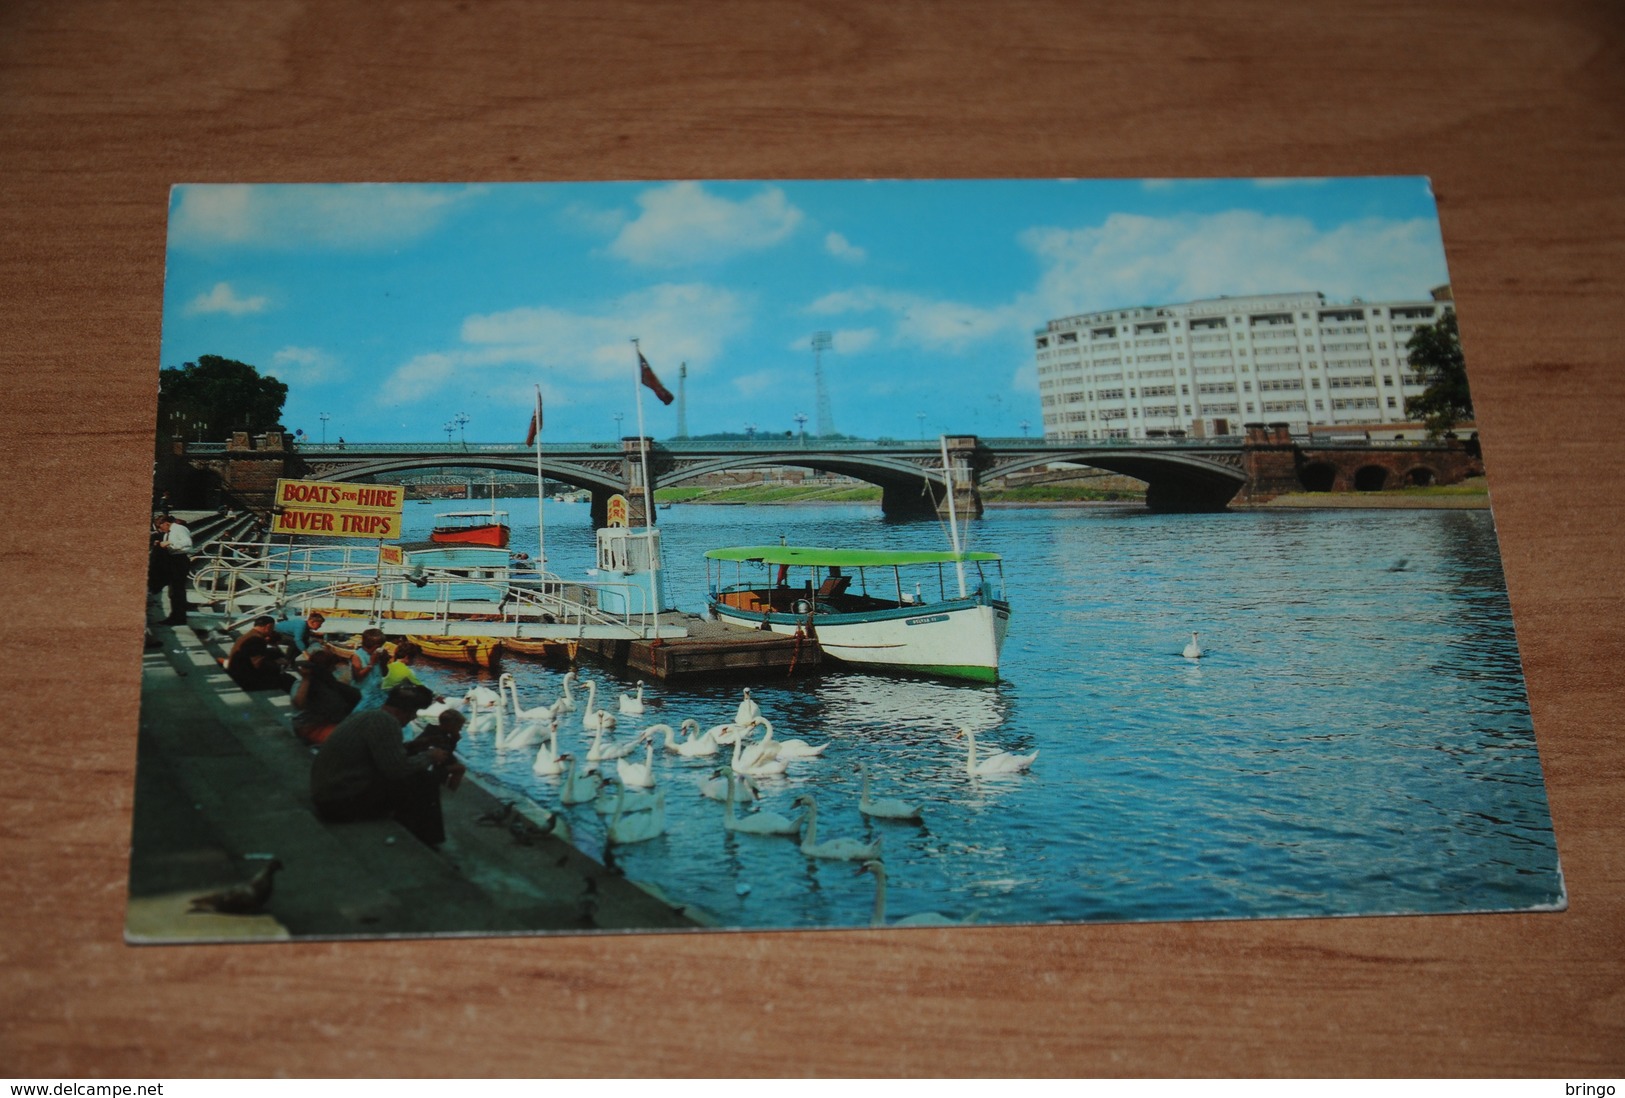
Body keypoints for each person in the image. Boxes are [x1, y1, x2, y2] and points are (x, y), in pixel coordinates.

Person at [310, 683, 449, 846]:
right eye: (414, 713)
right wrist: (430, 756)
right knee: (424, 780)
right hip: (339, 804)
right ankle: (428, 840)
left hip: (329, 797)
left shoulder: (371, 716)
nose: (414, 718)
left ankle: (417, 832)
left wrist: (413, 746)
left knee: (414, 780)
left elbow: (381, 753)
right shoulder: (387, 722)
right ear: (406, 711)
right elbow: (397, 769)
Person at [289, 648, 361, 745]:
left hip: (325, 723)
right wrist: (306, 679)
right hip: (308, 727)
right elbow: (299, 704)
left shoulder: (329, 681)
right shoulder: (303, 683)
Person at [226, 616, 292, 692]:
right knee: (288, 680)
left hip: (237, 672)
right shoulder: (257, 639)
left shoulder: (250, 635)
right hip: (245, 679)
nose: (272, 630)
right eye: (272, 628)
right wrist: (276, 663)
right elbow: (258, 664)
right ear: (268, 626)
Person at [153, 514, 194, 625]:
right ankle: (176, 615)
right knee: (174, 590)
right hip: (173, 561)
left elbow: (188, 543)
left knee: (177, 590)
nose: (160, 530)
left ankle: (178, 617)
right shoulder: (170, 531)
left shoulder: (179, 528)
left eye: (161, 527)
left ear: (166, 523)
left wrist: (170, 543)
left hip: (179, 561)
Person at [349, 628, 391, 711]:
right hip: (362, 695)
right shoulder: (357, 656)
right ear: (375, 646)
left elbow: (384, 674)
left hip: (376, 694)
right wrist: (371, 663)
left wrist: (384, 662)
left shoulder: (378, 655)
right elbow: (358, 677)